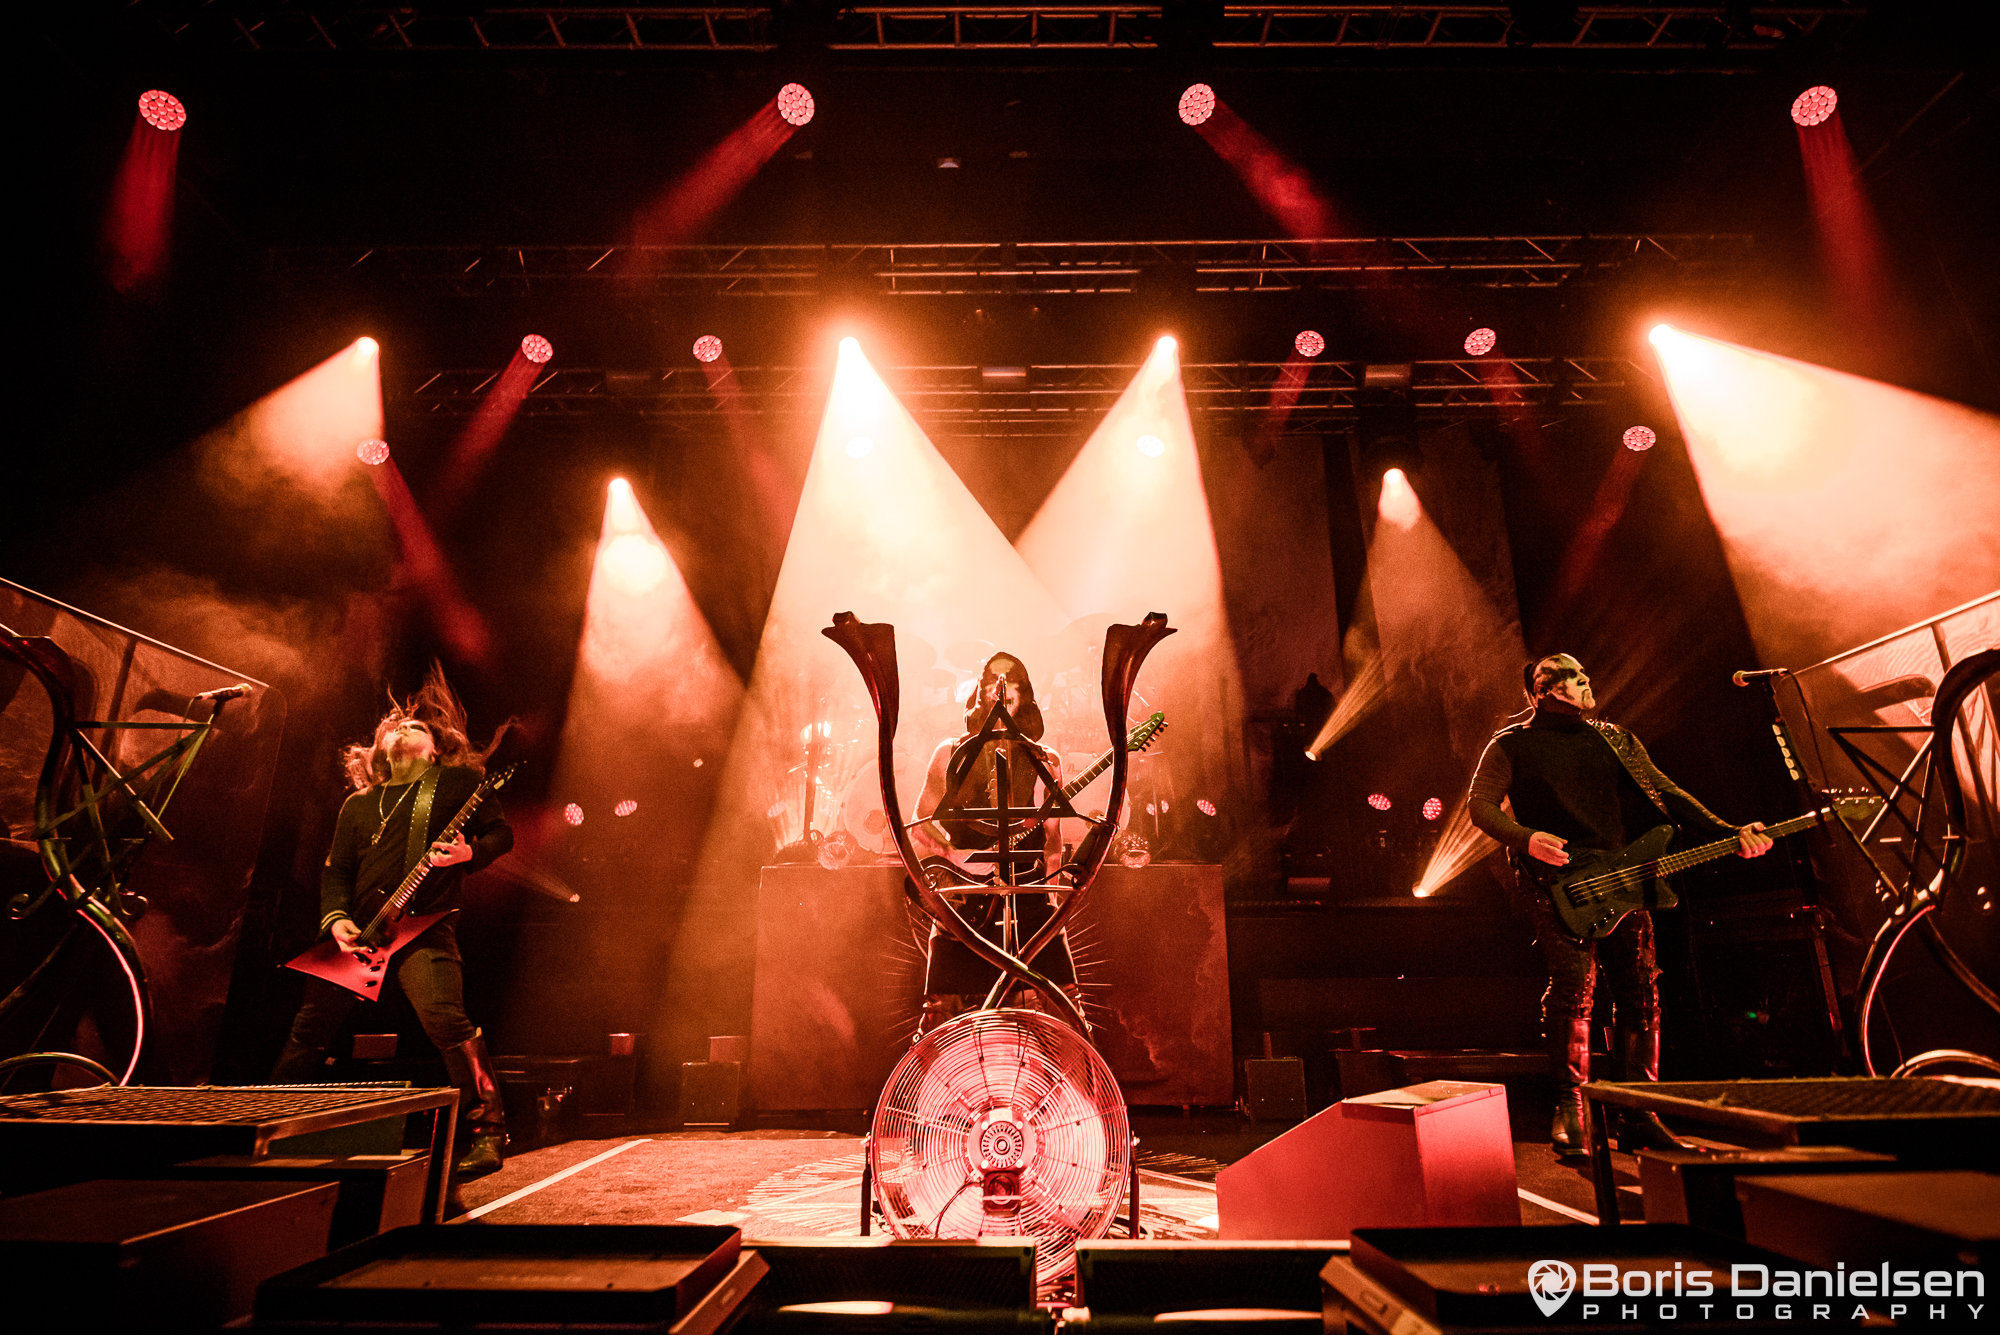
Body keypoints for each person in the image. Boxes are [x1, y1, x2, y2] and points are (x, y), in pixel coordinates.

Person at [1467, 653, 1772, 1154]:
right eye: (1569, 674)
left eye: (1585, 673)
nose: (1584, 680)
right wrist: (1525, 839)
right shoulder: (1512, 744)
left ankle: (1639, 1112)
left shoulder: (1614, 738)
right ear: (1541, 689)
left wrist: (1729, 832)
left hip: (1622, 877)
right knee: (1573, 986)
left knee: (1641, 988)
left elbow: (1669, 794)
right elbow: (1480, 804)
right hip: (1557, 880)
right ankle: (1572, 1111)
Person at [271, 665, 514, 1179]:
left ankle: (488, 1131)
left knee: (445, 1020)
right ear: (378, 750)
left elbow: (501, 835)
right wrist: (336, 920)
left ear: (434, 749)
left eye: (417, 728)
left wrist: (466, 854)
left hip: (423, 925)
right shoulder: (358, 805)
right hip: (359, 934)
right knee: (307, 1031)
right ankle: (268, 1128)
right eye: (394, 728)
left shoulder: (457, 782)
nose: (403, 727)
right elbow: (336, 873)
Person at [908, 652, 1079, 1037]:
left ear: (1026, 691)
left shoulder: (1044, 758)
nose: (1001, 687)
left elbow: (1052, 839)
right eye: (992, 679)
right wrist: (954, 856)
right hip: (965, 901)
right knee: (939, 1014)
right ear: (980, 690)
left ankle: (1081, 1089)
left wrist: (1050, 895)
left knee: (1064, 1006)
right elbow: (919, 826)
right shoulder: (949, 753)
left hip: (1030, 897)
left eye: (1012, 679)